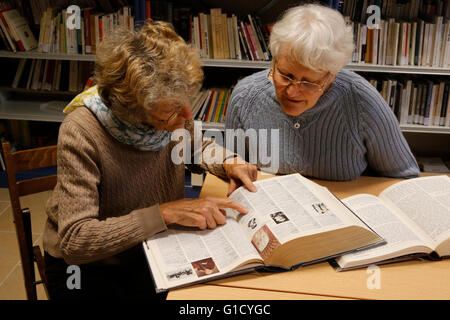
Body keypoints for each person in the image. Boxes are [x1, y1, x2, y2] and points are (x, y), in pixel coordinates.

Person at [43, 21, 257, 300]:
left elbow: (195, 148)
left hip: (151, 246)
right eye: (170, 114)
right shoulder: (82, 131)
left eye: (188, 102)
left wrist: (228, 161)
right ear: (132, 113)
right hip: (92, 266)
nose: (187, 118)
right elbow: (76, 239)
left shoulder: (172, 111)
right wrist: (165, 213)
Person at [226, 4, 420, 181]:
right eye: (285, 75)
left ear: (332, 76)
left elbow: (405, 178)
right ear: (274, 61)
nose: (293, 91)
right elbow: (229, 167)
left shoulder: (362, 101)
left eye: (309, 82)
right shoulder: (245, 97)